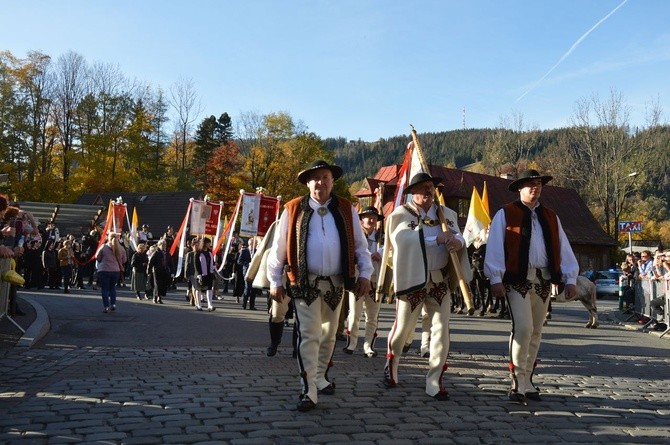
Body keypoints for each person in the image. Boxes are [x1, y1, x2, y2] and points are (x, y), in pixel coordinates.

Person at [266, 159, 373, 412]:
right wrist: (275, 279)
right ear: (307, 182)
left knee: (329, 335)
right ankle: (308, 390)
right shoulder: (293, 209)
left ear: (332, 181)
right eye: (315, 178)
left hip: (336, 284)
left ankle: (321, 377)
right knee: (310, 334)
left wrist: (365, 273)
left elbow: (360, 246)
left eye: (325, 177)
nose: (320, 182)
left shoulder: (347, 209)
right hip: (305, 284)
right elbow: (278, 248)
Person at [484, 169, 579, 405]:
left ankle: (527, 380)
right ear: (519, 188)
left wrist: (570, 278)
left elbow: (562, 247)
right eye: (529, 184)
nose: (535, 188)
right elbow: (495, 246)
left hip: (544, 279)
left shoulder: (550, 216)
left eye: (538, 184)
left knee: (536, 331)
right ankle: (516, 380)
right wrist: (495, 277)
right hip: (518, 279)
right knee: (523, 328)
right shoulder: (506, 214)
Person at [381, 172, 470, 401]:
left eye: (430, 187)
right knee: (402, 329)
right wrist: (434, 239)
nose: (428, 192)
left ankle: (434, 380)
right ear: (412, 192)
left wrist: (457, 241)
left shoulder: (447, 214)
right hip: (413, 280)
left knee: (441, 330)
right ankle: (393, 360)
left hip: (440, 280)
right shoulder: (400, 215)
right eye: (422, 188)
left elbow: (460, 235)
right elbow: (401, 241)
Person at [343, 206, 384, 358]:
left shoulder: (383, 238)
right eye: (368, 216)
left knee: (372, 316)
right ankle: (352, 343)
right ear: (362, 219)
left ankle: (368, 346)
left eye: (374, 217)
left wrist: (381, 253)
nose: (371, 219)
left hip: (375, 281)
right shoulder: (354, 236)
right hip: (358, 280)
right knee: (354, 314)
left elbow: (393, 251)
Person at [96, 233, 128, 313]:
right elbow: (124, 260)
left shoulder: (104, 246)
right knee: (112, 288)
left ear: (108, 238)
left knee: (105, 288)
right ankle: (113, 304)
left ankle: (106, 306)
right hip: (115, 270)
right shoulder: (121, 248)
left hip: (104, 269)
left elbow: (98, 257)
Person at [194, 237, 217, 312]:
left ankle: (210, 305)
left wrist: (214, 266)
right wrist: (198, 273)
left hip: (209, 273)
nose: (209, 244)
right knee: (199, 289)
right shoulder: (198, 252)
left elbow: (212, 261)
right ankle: (199, 305)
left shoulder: (209, 252)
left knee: (209, 288)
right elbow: (196, 264)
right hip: (201, 274)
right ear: (204, 243)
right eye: (208, 243)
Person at [148, 239, 172, 304]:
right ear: (159, 245)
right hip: (157, 271)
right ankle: (155, 297)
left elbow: (170, 262)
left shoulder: (167, 253)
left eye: (165, 245)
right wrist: (149, 271)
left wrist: (172, 271)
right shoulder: (156, 253)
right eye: (162, 245)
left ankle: (159, 298)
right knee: (157, 285)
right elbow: (151, 262)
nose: (164, 246)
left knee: (162, 285)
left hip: (164, 271)